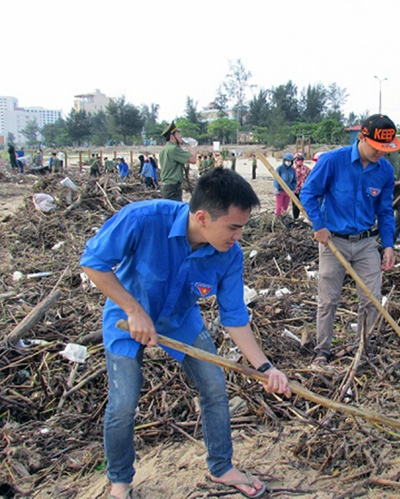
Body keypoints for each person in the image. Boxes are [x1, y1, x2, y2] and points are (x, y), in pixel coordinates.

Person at [79, 168, 291, 499]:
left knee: (214, 387)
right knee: (123, 403)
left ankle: (221, 467)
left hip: (181, 319)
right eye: (233, 228)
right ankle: (120, 480)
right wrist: (135, 311)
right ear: (203, 217)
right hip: (127, 315)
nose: (238, 237)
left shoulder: (229, 255)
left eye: (242, 228)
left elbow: (234, 316)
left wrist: (265, 368)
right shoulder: (144, 218)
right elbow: (93, 263)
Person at [299, 114, 398, 367]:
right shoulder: (333, 161)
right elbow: (309, 193)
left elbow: (385, 210)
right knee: (328, 299)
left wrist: (388, 244)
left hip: (366, 243)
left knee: (372, 298)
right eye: (376, 147)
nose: (380, 153)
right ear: (362, 138)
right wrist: (319, 226)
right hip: (334, 241)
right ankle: (322, 351)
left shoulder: (385, 170)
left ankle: (361, 348)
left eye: (385, 149)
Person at [158, 121, 196, 201]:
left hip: (166, 187)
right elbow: (193, 159)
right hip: (173, 187)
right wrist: (193, 146)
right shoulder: (174, 149)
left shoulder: (164, 149)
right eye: (178, 134)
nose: (181, 136)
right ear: (172, 136)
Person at [292, 152, 311, 220]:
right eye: (298, 159)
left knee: (305, 204)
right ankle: (295, 218)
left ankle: (308, 218)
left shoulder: (306, 169)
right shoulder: (292, 169)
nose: (300, 161)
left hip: (304, 190)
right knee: (295, 205)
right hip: (295, 190)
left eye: (301, 159)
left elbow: (311, 176)